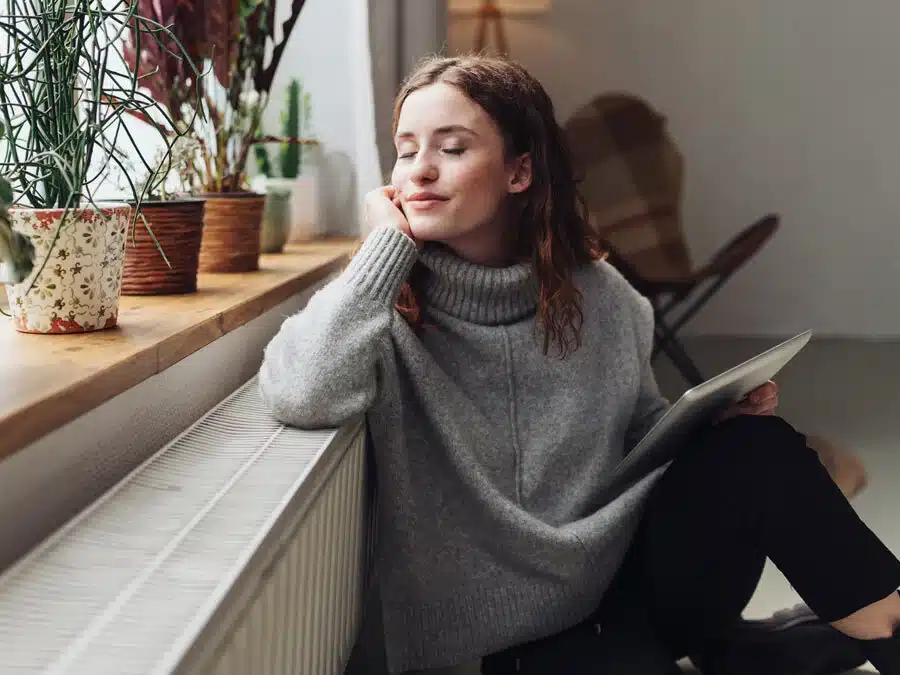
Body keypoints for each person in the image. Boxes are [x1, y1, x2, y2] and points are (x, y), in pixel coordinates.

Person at [258, 55, 900, 675]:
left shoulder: (603, 295)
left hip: (626, 587)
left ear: (519, 171)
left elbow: (638, 434)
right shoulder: (379, 306)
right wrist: (382, 249)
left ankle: (884, 632)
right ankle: (754, 649)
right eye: (405, 149)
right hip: (514, 641)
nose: (419, 171)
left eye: (451, 148)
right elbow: (301, 394)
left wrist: (710, 426)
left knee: (756, 448)